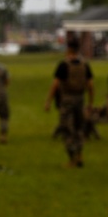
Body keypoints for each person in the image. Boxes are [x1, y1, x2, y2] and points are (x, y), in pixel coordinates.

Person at [44, 36, 94, 167]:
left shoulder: (64, 65)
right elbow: (90, 85)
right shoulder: (85, 64)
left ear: (68, 49)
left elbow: (55, 84)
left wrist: (48, 100)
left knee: (67, 128)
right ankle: (80, 155)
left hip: (67, 100)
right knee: (79, 128)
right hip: (80, 99)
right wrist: (90, 102)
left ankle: (72, 159)